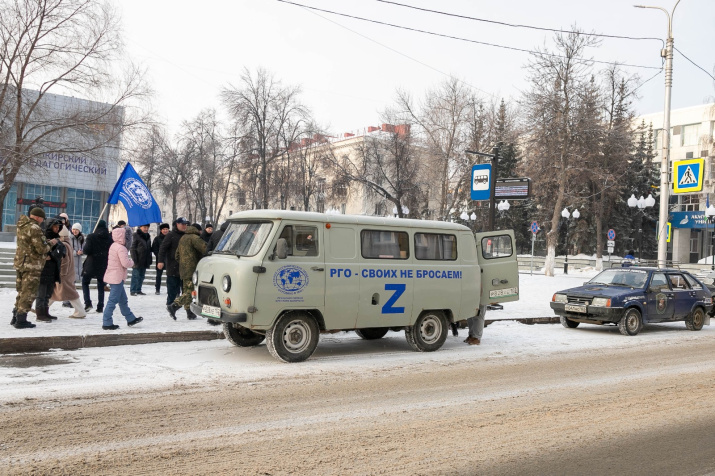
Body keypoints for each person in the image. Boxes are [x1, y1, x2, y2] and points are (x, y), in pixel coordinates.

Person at [12, 207, 56, 329]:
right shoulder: (35, 228)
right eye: (42, 218)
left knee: (21, 291)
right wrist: (50, 243)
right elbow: (41, 249)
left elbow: (29, 243)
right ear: (37, 217)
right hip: (32, 265)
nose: (42, 221)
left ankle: (15, 316)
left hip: (21, 262)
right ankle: (21, 320)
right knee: (29, 292)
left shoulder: (21, 225)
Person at [101, 227, 143, 330]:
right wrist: (132, 262)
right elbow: (125, 263)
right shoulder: (121, 248)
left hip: (114, 276)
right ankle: (107, 322)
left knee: (123, 300)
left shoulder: (114, 245)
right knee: (113, 300)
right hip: (117, 278)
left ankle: (130, 319)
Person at [167, 224, 206, 320]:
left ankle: (190, 313)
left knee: (187, 290)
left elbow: (177, 255)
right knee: (190, 291)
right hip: (192, 269)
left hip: (183, 269)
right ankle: (174, 306)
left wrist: (184, 263)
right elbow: (206, 248)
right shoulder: (195, 238)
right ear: (198, 230)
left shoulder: (183, 238)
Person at [49, 225, 86, 318]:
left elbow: (65, 261)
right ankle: (42, 308)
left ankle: (80, 311)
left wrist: (62, 273)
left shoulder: (64, 245)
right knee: (55, 292)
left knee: (69, 293)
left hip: (64, 274)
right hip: (67, 273)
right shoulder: (68, 243)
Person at [35, 218, 65, 322]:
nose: (57, 229)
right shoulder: (43, 237)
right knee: (41, 293)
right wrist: (53, 254)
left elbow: (61, 252)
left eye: (58, 227)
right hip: (43, 269)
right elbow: (42, 251)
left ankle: (45, 312)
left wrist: (52, 255)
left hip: (53, 269)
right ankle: (39, 313)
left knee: (48, 293)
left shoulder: (57, 239)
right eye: (55, 227)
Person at [82, 220, 112, 312]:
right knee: (101, 285)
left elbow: (86, 251)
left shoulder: (91, 237)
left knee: (85, 282)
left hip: (91, 264)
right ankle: (100, 306)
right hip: (103, 264)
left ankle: (88, 303)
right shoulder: (110, 239)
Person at [158, 217, 188, 309]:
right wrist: (160, 261)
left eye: (185, 224)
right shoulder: (171, 235)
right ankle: (170, 304)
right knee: (172, 288)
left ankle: (184, 305)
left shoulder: (187, 235)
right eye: (182, 224)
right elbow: (163, 248)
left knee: (185, 288)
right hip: (173, 266)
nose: (184, 226)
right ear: (177, 224)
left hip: (185, 267)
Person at [129, 224, 152, 296]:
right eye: (144, 227)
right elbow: (132, 248)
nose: (146, 229)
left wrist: (149, 258)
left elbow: (149, 248)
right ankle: (133, 290)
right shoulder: (136, 235)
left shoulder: (148, 236)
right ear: (140, 227)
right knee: (135, 275)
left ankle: (138, 289)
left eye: (147, 227)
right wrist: (135, 259)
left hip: (145, 259)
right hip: (138, 258)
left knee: (142, 275)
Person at [151, 223, 170, 294]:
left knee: (169, 276)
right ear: (161, 230)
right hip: (160, 259)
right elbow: (154, 248)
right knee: (158, 275)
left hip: (169, 259)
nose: (165, 231)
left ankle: (169, 289)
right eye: (164, 229)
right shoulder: (157, 238)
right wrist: (159, 255)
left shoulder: (171, 237)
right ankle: (157, 289)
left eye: (166, 229)